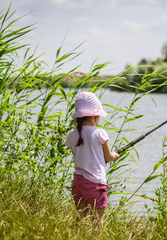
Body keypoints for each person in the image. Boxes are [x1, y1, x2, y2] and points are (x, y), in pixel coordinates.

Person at [65, 92, 119, 228]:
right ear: (94, 116)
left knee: (81, 223)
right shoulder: (100, 133)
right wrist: (116, 156)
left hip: (78, 183)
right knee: (97, 224)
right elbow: (109, 157)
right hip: (95, 184)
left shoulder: (71, 135)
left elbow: (78, 156)